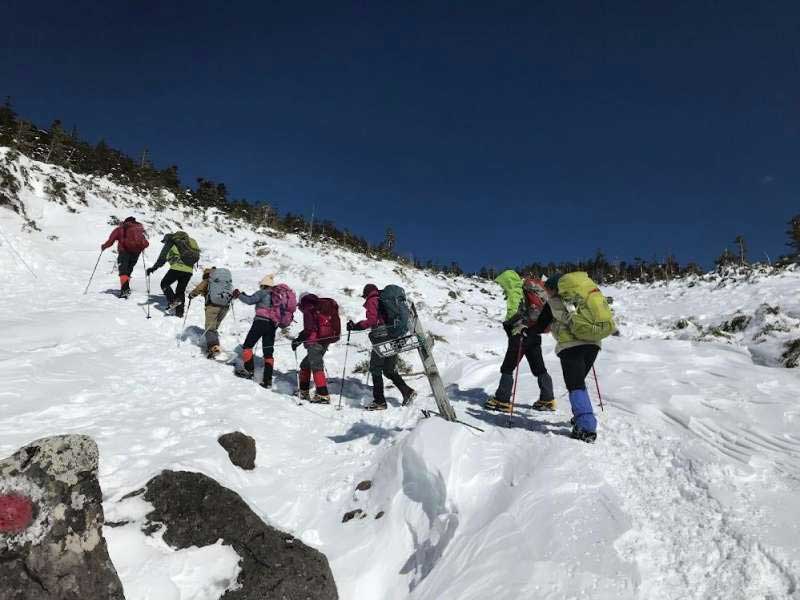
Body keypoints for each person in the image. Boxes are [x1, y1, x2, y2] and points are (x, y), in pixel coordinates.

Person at [529, 272, 615, 443]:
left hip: (571, 347)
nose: (547, 293)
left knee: (575, 385)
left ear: (554, 289)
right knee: (578, 383)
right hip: (593, 344)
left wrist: (527, 330)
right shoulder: (581, 299)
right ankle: (581, 416)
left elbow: (540, 326)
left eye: (548, 290)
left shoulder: (553, 302)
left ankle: (586, 427)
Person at [485, 270, 554, 413]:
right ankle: (547, 399)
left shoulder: (515, 291)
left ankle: (502, 400)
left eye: (502, 283)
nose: (502, 286)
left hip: (520, 334)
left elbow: (513, 313)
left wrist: (510, 325)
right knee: (539, 367)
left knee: (507, 367)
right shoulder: (528, 289)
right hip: (534, 333)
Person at [346, 283, 416, 411]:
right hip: (393, 336)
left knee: (375, 368)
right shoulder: (383, 299)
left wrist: (356, 326)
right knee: (389, 369)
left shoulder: (372, 300)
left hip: (382, 338)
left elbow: (372, 321)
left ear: (367, 293)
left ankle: (379, 401)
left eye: (364, 296)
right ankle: (407, 391)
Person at [234, 274, 278, 388]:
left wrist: (239, 295)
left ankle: (249, 371)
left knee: (248, 346)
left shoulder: (263, 292)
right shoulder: (277, 296)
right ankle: (267, 380)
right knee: (268, 353)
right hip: (272, 325)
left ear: (263, 285)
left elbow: (249, 300)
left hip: (260, 323)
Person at [145, 231, 198, 317]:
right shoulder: (190, 241)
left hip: (177, 267)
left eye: (164, 242)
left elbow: (162, 258)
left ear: (167, 239)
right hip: (189, 270)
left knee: (164, 283)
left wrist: (153, 268)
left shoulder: (171, 242)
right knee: (180, 291)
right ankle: (179, 313)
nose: (164, 243)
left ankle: (173, 301)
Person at [291, 293, 332, 404]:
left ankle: (323, 395)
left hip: (315, 342)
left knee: (316, 367)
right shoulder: (319, 307)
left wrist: (298, 340)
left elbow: (309, 329)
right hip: (324, 341)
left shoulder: (308, 309)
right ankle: (304, 391)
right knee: (305, 365)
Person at [188, 267, 232, 359]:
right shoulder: (224, 281)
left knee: (210, 328)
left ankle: (214, 348)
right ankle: (214, 344)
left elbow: (198, 289)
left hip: (212, 306)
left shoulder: (208, 280)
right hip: (225, 306)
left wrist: (191, 295)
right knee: (214, 327)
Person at [100, 216, 149, 298]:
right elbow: (144, 242)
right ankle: (126, 288)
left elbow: (111, 240)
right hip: (136, 252)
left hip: (124, 251)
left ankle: (125, 290)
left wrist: (104, 246)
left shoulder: (120, 229)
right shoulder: (138, 228)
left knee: (123, 271)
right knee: (128, 270)